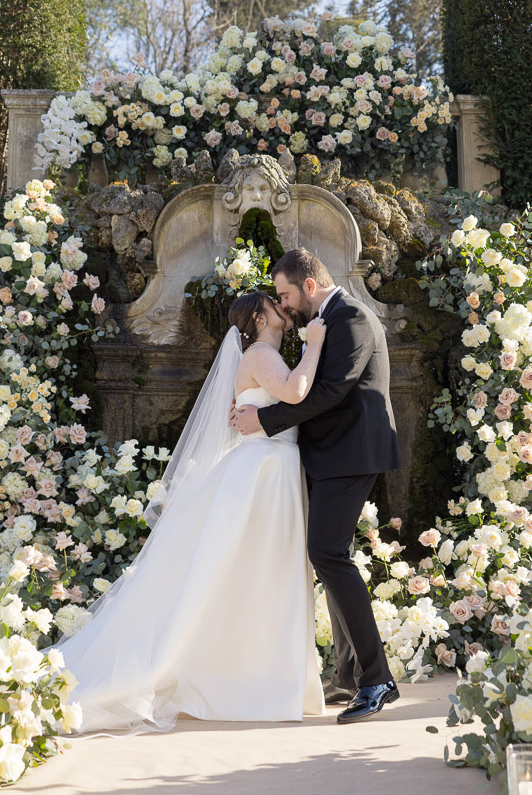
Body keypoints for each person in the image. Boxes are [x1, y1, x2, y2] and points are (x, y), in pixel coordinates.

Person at [54, 291, 327, 735]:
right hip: (264, 472)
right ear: (259, 317)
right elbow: (296, 391)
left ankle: (258, 680)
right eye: (275, 305)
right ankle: (257, 684)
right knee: (261, 573)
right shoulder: (259, 355)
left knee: (257, 576)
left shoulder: (261, 356)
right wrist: (314, 344)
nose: (286, 309)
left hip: (272, 470)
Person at [232, 248, 401, 724]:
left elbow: (330, 393)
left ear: (309, 286)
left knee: (328, 554)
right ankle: (350, 675)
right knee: (327, 554)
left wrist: (263, 419)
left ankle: (377, 678)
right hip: (329, 455)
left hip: (351, 454)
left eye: (285, 294)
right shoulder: (328, 321)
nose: (283, 306)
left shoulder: (352, 318)